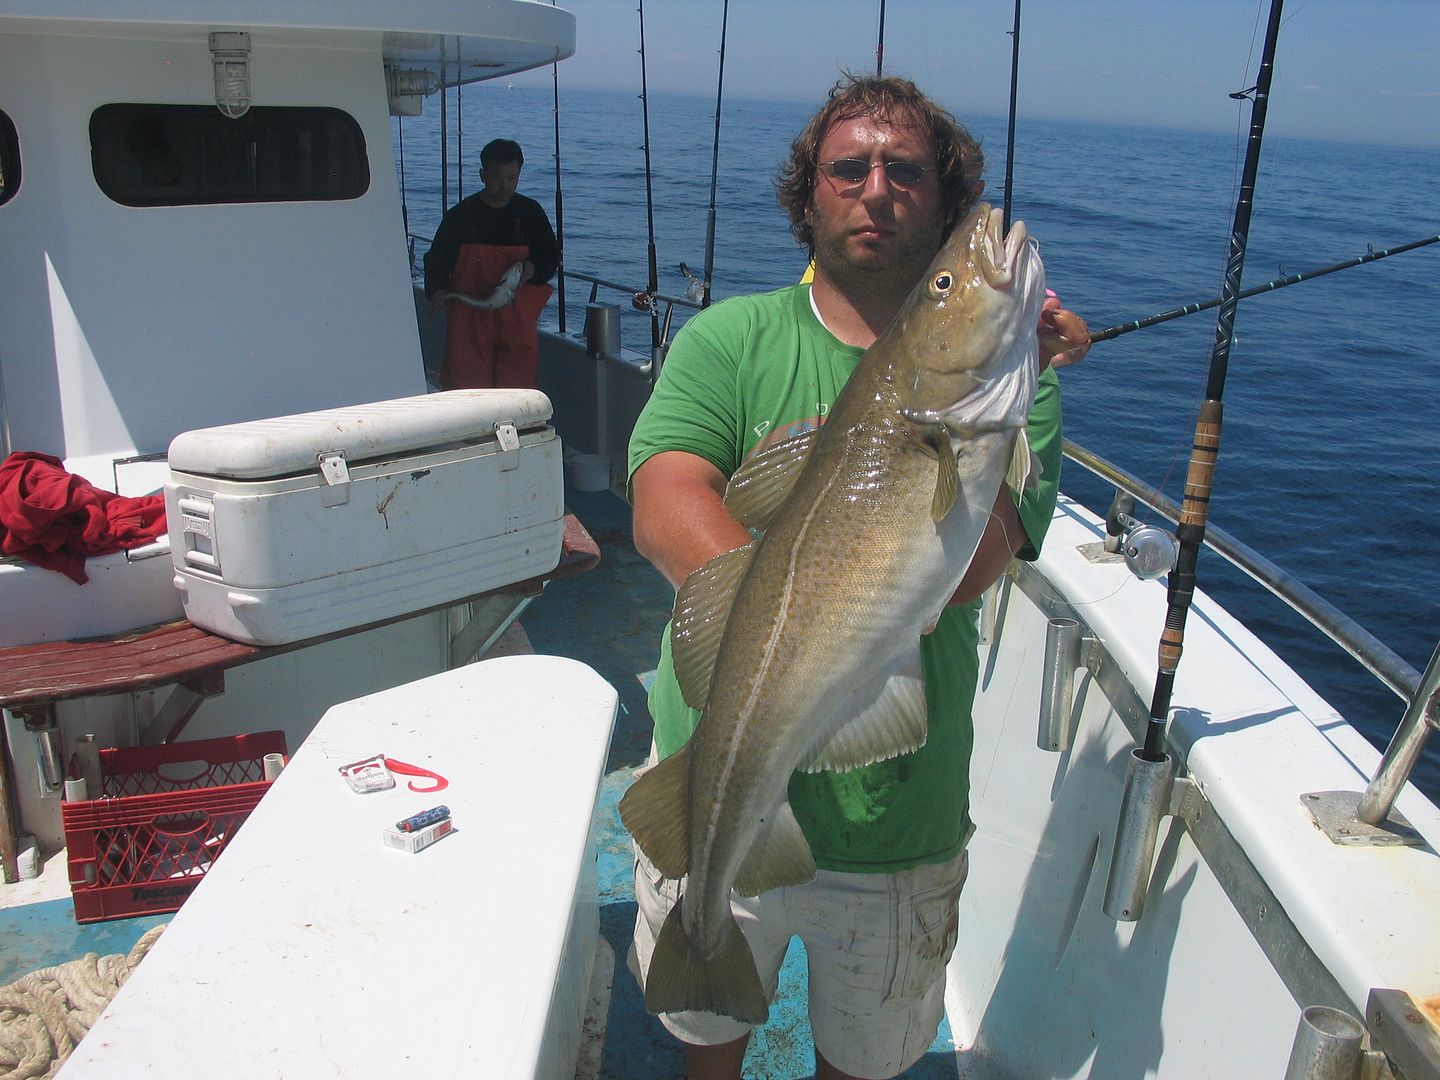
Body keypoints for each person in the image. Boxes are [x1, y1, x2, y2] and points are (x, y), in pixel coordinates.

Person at [624, 74, 1091, 1080]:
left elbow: (967, 573)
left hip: (900, 819)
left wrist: (1021, 386)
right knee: (708, 1044)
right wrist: (791, 627)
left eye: (906, 170)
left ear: (945, 197)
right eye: (849, 168)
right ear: (811, 195)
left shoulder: (1019, 399)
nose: (877, 189)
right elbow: (663, 503)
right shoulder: (728, 339)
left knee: (863, 1064)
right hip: (713, 777)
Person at [423, 138, 560, 389]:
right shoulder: (460, 216)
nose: (504, 186)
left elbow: (551, 257)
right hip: (469, 321)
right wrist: (437, 290)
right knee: (466, 389)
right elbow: (436, 260)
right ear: (483, 175)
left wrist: (532, 268)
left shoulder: (531, 213)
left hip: (517, 321)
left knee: (517, 392)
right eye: (497, 178)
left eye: (511, 178)